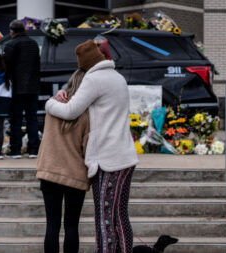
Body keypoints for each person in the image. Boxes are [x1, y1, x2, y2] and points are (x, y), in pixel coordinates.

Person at [45, 40, 139, 253]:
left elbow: (70, 111)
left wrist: (50, 103)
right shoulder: (117, 77)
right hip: (125, 156)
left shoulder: (94, 79)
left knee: (104, 219)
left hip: (108, 160)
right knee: (120, 216)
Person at [37, 69, 89, 253]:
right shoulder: (86, 114)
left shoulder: (53, 105)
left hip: (49, 172)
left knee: (51, 225)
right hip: (75, 175)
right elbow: (87, 148)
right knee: (71, 226)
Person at [3, 19, 41, 159]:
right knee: (32, 119)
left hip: (17, 88)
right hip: (33, 87)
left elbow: (6, 66)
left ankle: (16, 150)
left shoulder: (10, 44)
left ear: (12, 31)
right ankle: (33, 150)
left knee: (16, 119)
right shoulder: (34, 43)